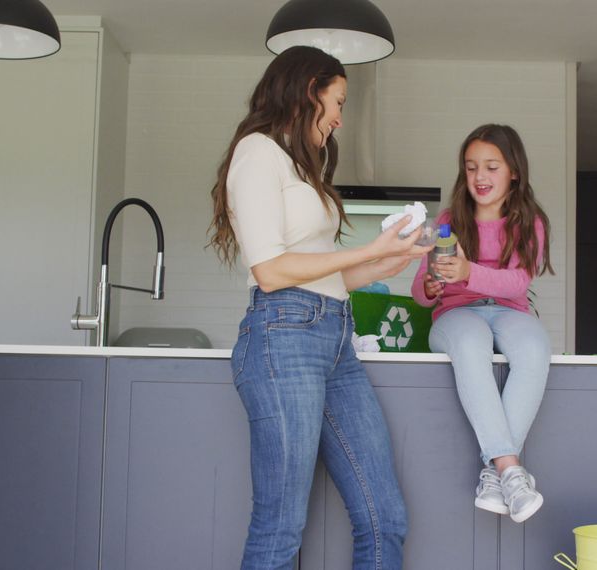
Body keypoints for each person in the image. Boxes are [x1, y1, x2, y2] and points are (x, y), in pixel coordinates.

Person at [208, 46, 430, 570]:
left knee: (385, 518)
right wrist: (369, 251)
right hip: (282, 338)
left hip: (335, 341)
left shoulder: (300, 168)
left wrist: (387, 261)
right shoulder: (257, 153)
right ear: (310, 91)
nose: (338, 118)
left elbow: (329, 274)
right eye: (337, 102)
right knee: (280, 527)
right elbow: (271, 270)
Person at [411, 124, 554, 523]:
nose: (480, 177)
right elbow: (421, 294)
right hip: (456, 315)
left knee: (534, 347)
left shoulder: (530, 222)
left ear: (514, 172)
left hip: (509, 311)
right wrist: (431, 283)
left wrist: (467, 271)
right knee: (471, 341)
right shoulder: (448, 219)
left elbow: (517, 282)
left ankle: (493, 475)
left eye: (492, 166)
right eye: (472, 167)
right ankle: (510, 469)